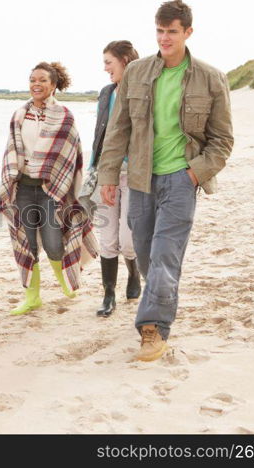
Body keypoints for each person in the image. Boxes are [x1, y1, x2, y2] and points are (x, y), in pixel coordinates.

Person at [98, 0, 233, 361]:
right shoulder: (138, 73)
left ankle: (152, 329)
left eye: (172, 31)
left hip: (180, 179)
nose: (164, 38)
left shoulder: (211, 77)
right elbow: (118, 129)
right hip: (140, 178)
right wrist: (108, 175)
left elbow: (223, 141)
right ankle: (159, 301)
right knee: (145, 254)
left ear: (188, 32)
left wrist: (193, 173)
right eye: (160, 30)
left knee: (164, 256)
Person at [0, 62, 98, 315]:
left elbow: (71, 156)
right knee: (27, 244)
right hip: (23, 187)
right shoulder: (20, 114)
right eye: (33, 79)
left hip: (52, 190)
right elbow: (12, 150)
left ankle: (66, 282)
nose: (36, 84)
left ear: (53, 85)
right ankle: (32, 297)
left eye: (42, 80)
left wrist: (74, 190)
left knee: (54, 243)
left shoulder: (64, 115)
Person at [91, 41, 142, 317]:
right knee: (107, 236)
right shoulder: (106, 93)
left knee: (127, 238)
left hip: (135, 174)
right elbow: (100, 133)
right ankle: (108, 293)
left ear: (124, 60)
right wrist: (93, 169)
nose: (105, 68)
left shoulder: (143, 91)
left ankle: (134, 274)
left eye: (109, 62)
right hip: (107, 173)